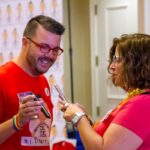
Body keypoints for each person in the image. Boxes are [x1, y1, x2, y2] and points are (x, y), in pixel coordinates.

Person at [60, 33, 150, 150]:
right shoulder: (138, 99)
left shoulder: (142, 103)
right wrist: (85, 120)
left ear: (138, 65)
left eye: (117, 60)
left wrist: (79, 117)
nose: (112, 66)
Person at [0, 15, 65, 150]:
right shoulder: (3, 79)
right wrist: (17, 121)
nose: (49, 55)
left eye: (55, 50)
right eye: (43, 47)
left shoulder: (42, 80)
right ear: (25, 43)